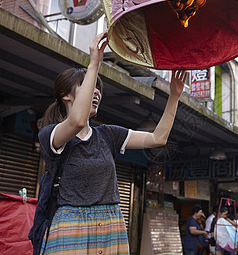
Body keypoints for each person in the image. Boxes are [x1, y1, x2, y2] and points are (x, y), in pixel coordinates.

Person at [36, 32, 187, 254]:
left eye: (98, 88)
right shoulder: (51, 135)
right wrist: (94, 63)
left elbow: (157, 138)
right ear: (65, 95)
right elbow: (77, 121)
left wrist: (174, 96)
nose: (96, 92)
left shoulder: (108, 135)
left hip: (110, 222)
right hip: (71, 225)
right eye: (88, 85)